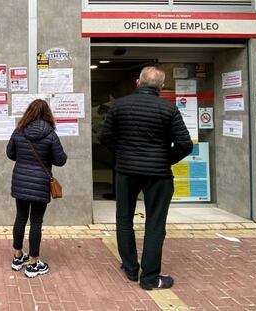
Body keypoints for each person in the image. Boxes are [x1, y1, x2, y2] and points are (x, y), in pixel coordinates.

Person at [100, 67, 193, 290]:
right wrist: (165, 159)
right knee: (155, 224)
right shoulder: (168, 109)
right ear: (161, 87)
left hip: (126, 171)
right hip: (158, 174)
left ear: (137, 82)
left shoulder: (119, 106)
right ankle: (150, 277)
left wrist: (123, 154)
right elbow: (185, 144)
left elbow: (105, 137)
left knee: (124, 219)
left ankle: (131, 268)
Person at [6, 99, 67, 278]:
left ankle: (18, 257)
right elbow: (60, 160)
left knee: (20, 218)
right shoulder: (50, 134)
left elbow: (10, 153)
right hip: (40, 182)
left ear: (29, 112)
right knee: (36, 221)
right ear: (47, 113)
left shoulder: (19, 131)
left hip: (21, 180)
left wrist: (24, 159)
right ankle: (33, 263)